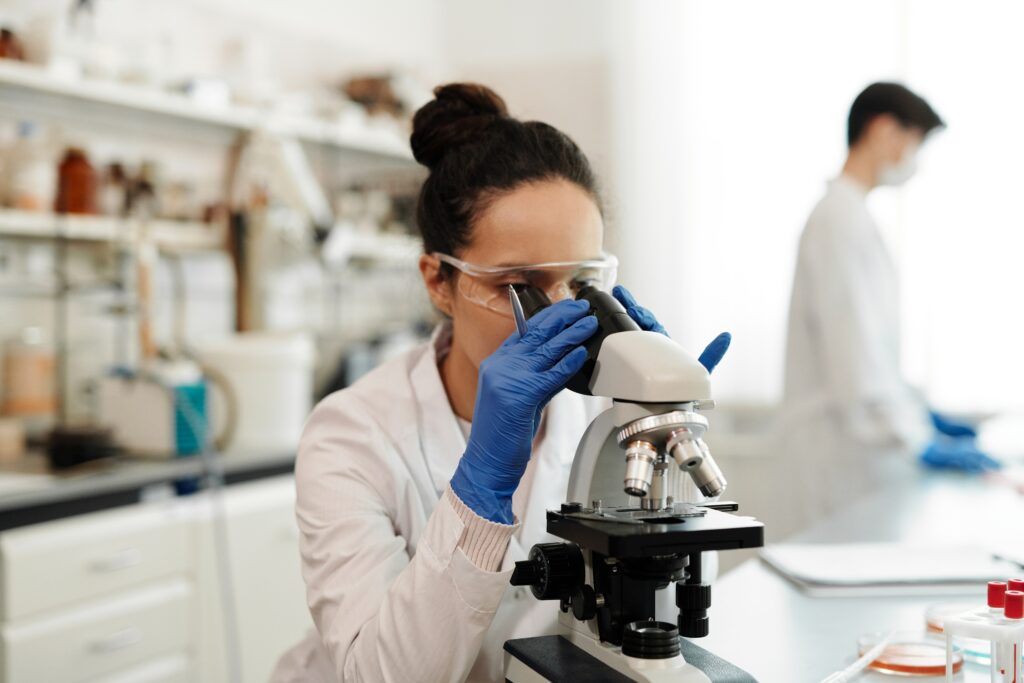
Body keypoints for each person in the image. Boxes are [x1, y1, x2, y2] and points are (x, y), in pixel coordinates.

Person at [271, 83, 731, 682]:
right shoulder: (352, 435)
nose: (564, 312)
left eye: (583, 281)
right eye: (522, 286)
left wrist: (661, 419)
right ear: (439, 281)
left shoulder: (602, 419)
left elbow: (664, 622)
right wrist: (482, 486)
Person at [781, 82, 1000, 526]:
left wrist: (921, 413)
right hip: (836, 455)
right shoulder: (838, 220)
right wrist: (915, 437)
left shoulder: (851, 216)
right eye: (915, 143)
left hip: (854, 452)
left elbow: (872, 357)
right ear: (883, 130)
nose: (914, 162)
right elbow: (853, 359)